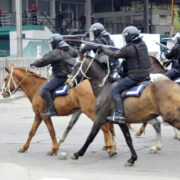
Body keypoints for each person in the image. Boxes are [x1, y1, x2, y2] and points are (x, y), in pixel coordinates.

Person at [100, 26, 151, 124]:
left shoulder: (129, 49)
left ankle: (119, 114)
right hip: (145, 74)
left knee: (115, 90)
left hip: (135, 76)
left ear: (130, 37)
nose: (125, 39)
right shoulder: (142, 44)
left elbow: (114, 55)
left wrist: (103, 49)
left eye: (126, 37)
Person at [30, 34, 78, 117]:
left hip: (60, 77)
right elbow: (76, 53)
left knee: (44, 90)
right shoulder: (68, 49)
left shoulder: (55, 52)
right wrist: (68, 45)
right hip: (70, 75)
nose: (51, 45)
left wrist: (34, 64)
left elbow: (44, 61)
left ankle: (52, 110)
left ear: (55, 43)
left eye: (51, 43)